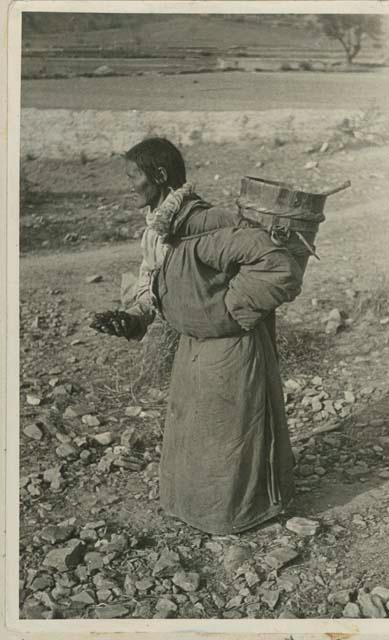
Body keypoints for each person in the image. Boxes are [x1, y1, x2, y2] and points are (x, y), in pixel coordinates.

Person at [91, 137, 305, 535]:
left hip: (230, 350)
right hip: (193, 348)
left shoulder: (207, 225)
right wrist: (135, 317)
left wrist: (229, 310)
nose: (129, 184)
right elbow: (153, 282)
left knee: (230, 440)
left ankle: (235, 517)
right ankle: (194, 509)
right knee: (197, 436)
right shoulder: (160, 230)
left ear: (159, 175)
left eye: (133, 176)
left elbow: (281, 268)